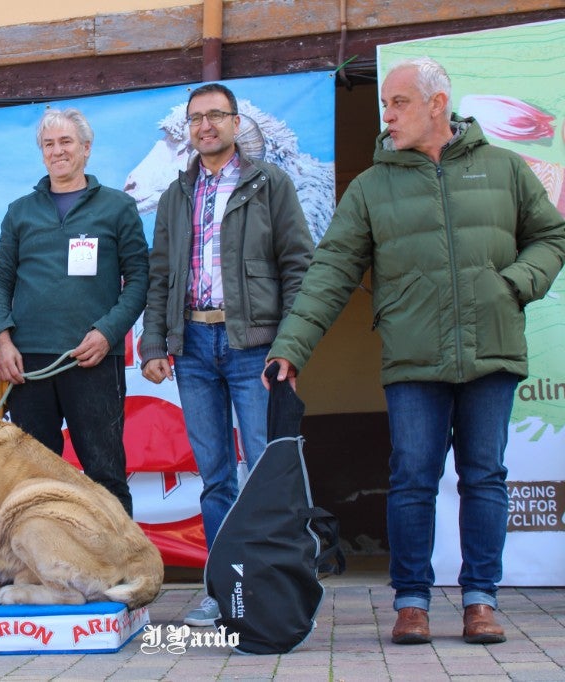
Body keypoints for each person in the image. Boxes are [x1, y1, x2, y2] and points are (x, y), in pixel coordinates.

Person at [265, 57, 565, 645]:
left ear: (437, 104)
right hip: (412, 355)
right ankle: (411, 602)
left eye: (398, 102)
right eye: (384, 103)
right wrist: (291, 347)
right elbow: (329, 272)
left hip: (492, 351)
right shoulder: (372, 187)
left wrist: (514, 286)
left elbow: (550, 236)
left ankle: (480, 600)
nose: (386, 114)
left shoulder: (503, 168)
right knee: (412, 480)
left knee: (485, 477)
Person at [139, 82, 314, 627]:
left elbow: (299, 266)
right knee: (215, 478)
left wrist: (288, 345)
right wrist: (153, 343)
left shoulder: (271, 184)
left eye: (216, 115)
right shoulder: (176, 194)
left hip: (253, 350)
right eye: (196, 118)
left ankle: (277, 586)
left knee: (266, 471)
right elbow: (161, 274)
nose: (205, 125)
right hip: (191, 349)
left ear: (237, 124)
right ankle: (225, 589)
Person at [0, 107, 149, 517]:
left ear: (86, 149)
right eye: (49, 144)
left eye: (66, 142)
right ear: (42, 153)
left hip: (92, 358)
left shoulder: (117, 207)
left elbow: (141, 280)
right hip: (28, 365)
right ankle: (47, 573)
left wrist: (109, 332)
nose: (57, 151)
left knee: (105, 472)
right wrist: (2, 341)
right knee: (34, 479)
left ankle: (122, 573)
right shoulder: (20, 211)